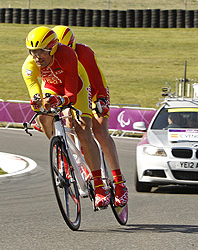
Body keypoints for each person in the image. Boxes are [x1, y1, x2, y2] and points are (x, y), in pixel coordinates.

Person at [22, 26, 111, 207]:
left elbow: (71, 95)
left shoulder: (68, 55)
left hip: (77, 85)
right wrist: (37, 102)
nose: (37, 57)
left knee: (83, 129)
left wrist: (62, 100)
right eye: (33, 52)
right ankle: (62, 156)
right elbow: (34, 90)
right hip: (53, 85)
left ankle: (100, 186)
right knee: (43, 115)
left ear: (53, 48)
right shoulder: (29, 66)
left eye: (42, 52)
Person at [52, 25, 128, 207]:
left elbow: (96, 78)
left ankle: (119, 183)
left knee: (100, 131)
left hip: (94, 91)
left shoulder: (84, 53)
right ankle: (77, 162)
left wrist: (100, 99)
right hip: (71, 90)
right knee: (69, 123)